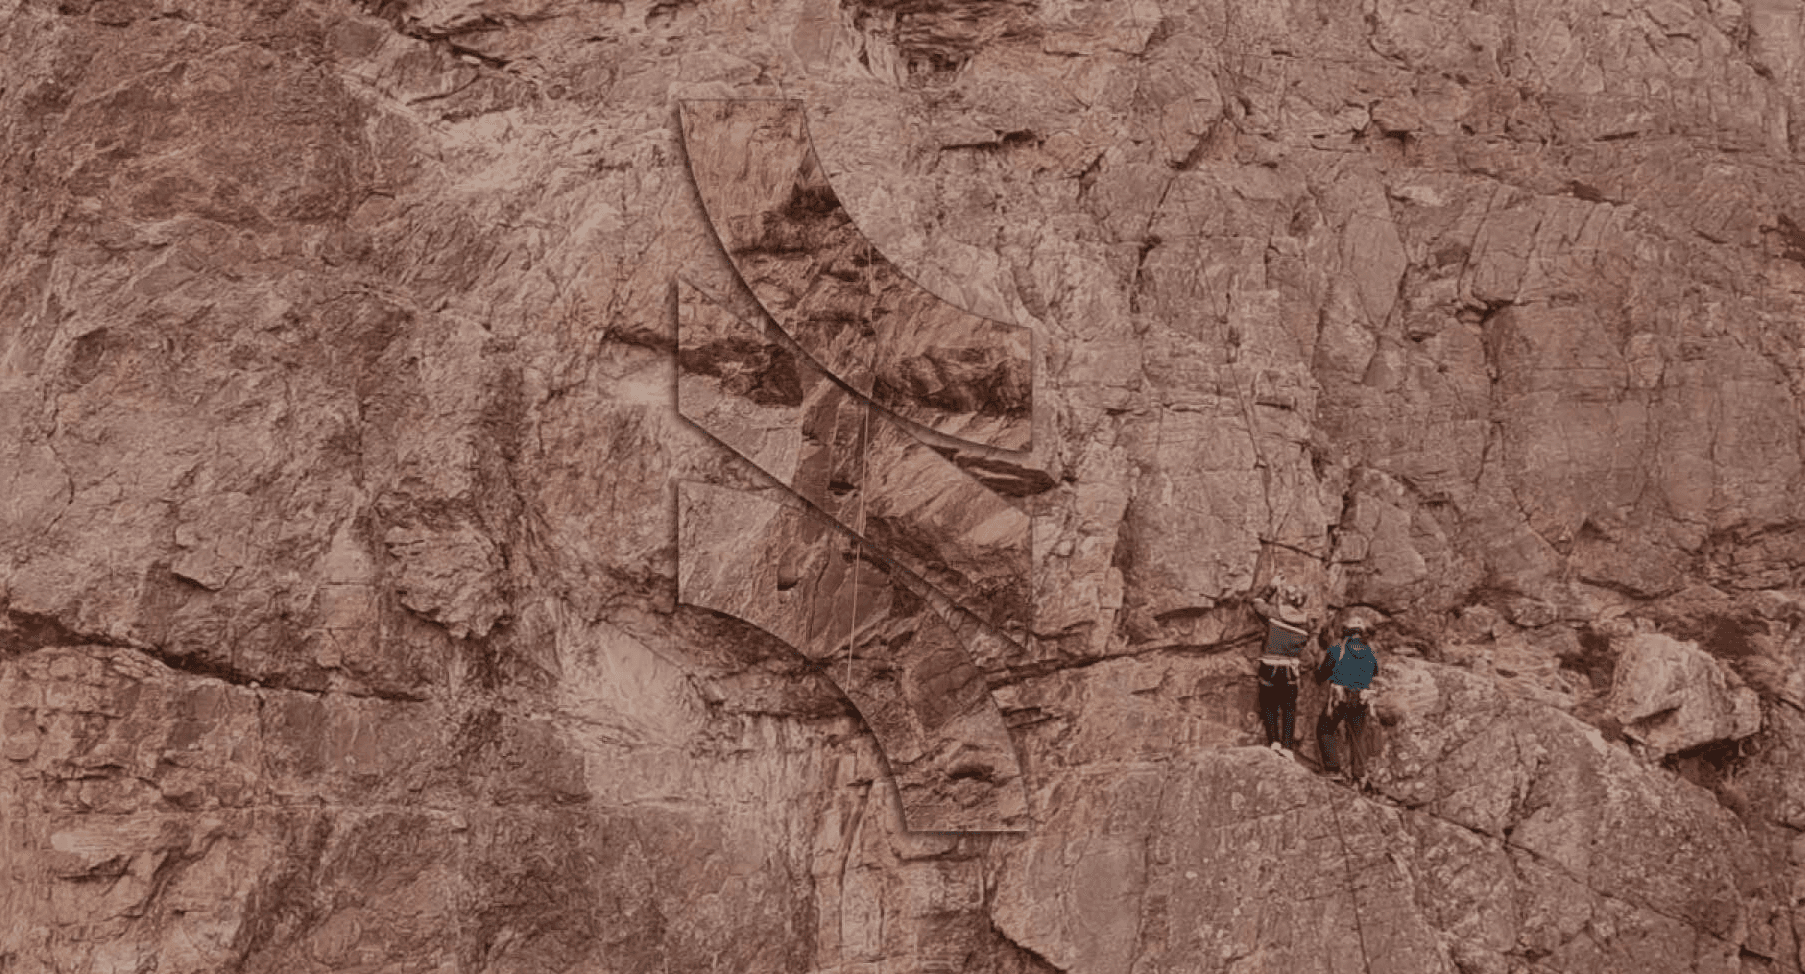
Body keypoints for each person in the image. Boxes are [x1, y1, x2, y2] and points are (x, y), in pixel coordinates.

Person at [1316, 613, 1380, 786]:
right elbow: (1374, 672)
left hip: (1340, 697)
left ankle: (1332, 768)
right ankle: (1358, 775)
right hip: (1361, 699)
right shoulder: (1369, 652)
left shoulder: (1338, 649)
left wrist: (1320, 673)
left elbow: (1323, 672)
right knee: (1357, 736)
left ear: (1346, 631)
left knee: (1325, 728)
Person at [1251, 574, 1312, 754]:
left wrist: (1272, 586)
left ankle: (1274, 742)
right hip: (1290, 669)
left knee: (1269, 704)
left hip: (1270, 665)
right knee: (1289, 708)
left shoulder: (1274, 613)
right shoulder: (1307, 624)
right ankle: (1287, 746)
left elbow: (1257, 602)